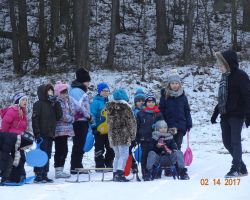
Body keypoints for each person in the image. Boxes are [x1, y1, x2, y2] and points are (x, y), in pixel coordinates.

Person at [211, 50, 250, 177]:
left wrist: (248, 114)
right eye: (218, 65)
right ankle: (242, 167)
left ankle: (236, 168)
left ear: (229, 63)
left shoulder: (240, 76)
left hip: (237, 114)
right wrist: (215, 113)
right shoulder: (225, 77)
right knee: (227, 143)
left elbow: (247, 95)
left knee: (235, 141)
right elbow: (223, 98)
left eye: (221, 64)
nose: (219, 67)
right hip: (225, 114)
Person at [32, 84, 63, 183]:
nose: (51, 93)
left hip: (50, 134)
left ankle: (45, 174)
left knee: (48, 154)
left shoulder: (52, 104)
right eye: (49, 91)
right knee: (41, 154)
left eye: (52, 91)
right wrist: (36, 133)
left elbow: (59, 116)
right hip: (41, 134)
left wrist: (56, 103)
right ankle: (38, 174)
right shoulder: (38, 104)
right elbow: (35, 119)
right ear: (44, 92)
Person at [106, 89, 137, 182]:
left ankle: (115, 173)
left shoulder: (110, 108)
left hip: (112, 135)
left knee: (117, 155)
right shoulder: (126, 107)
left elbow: (108, 122)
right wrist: (132, 136)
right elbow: (131, 122)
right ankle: (120, 173)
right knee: (124, 155)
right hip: (123, 134)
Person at [159, 70, 192, 150]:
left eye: (176, 83)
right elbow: (161, 110)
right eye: (172, 83)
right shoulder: (165, 97)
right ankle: (168, 161)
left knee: (178, 145)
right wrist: (161, 122)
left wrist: (189, 122)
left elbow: (187, 111)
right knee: (168, 145)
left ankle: (177, 161)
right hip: (168, 126)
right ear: (169, 84)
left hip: (180, 126)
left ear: (179, 84)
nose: (175, 85)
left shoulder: (183, 97)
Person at [0, 92, 29, 182]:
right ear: (18, 101)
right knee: (17, 158)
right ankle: (12, 177)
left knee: (20, 158)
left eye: (26, 100)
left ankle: (20, 175)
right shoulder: (13, 110)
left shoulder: (22, 112)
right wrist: (5, 138)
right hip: (11, 139)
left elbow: (23, 127)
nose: (25, 101)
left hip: (19, 139)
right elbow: (5, 123)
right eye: (23, 99)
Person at [69, 68, 92, 174]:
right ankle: (75, 166)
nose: (88, 84)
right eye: (87, 81)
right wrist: (88, 116)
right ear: (83, 81)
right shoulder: (78, 91)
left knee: (78, 143)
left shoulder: (76, 90)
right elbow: (80, 107)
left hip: (79, 121)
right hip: (80, 121)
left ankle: (77, 165)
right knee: (79, 143)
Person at [136, 92, 163, 181]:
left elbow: (163, 126)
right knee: (145, 156)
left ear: (155, 103)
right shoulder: (141, 113)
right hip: (144, 138)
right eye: (148, 102)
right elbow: (137, 126)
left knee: (155, 155)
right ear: (145, 103)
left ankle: (155, 171)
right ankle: (145, 173)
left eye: (152, 102)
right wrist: (137, 137)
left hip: (156, 138)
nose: (150, 103)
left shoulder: (159, 114)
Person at [54, 81, 78, 179]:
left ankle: (61, 169)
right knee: (60, 149)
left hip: (67, 129)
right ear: (59, 93)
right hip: (59, 130)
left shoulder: (68, 101)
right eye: (63, 92)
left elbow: (73, 111)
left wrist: (72, 115)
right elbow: (61, 116)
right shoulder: (57, 102)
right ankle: (58, 170)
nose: (65, 94)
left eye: (66, 92)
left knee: (65, 149)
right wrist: (71, 119)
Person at [90, 83, 114, 169]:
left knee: (111, 148)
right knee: (99, 148)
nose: (105, 92)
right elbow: (92, 115)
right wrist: (94, 127)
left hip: (109, 130)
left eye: (107, 91)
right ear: (99, 91)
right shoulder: (96, 102)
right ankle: (99, 165)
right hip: (99, 130)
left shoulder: (109, 102)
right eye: (104, 91)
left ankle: (109, 163)